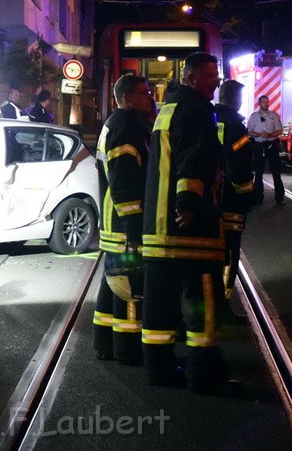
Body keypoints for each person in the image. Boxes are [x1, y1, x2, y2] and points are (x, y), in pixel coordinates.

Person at [141, 52, 237, 395]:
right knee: (204, 303)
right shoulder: (197, 110)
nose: (216, 81)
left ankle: (159, 370)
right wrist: (191, 202)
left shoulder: (167, 108)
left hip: (158, 230)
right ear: (193, 77)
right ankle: (204, 374)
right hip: (190, 232)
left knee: (159, 304)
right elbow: (194, 159)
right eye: (211, 76)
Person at [93, 74, 153, 366]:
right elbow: (124, 182)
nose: (150, 97)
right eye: (144, 92)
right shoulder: (125, 127)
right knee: (129, 287)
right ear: (127, 97)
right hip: (122, 224)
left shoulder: (116, 123)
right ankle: (128, 350)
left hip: (113, 220)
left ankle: (104, 342)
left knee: (112, 284)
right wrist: (134, 229)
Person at [215, 80, 254, 298]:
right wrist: (247, 195)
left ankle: (210, 295)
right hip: (231, 200)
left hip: (208, 198)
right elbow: (239, 167)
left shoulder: (206, 118)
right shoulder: (236, 126)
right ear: (235, 99)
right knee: (230, 249)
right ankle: (224, 298)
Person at [247, 95, 286, 205]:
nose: (265, 103)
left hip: (271, 146)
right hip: (259, 147)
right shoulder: (254, 116)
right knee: (258, 174)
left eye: (267, 101)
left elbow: (279, 130)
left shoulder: (274, 115)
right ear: (259, 103)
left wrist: (269, 135)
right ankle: (258, 198)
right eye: (263, 101)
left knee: (276, 173)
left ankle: (280, 198)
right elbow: (249, 131)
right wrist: (260, 134)